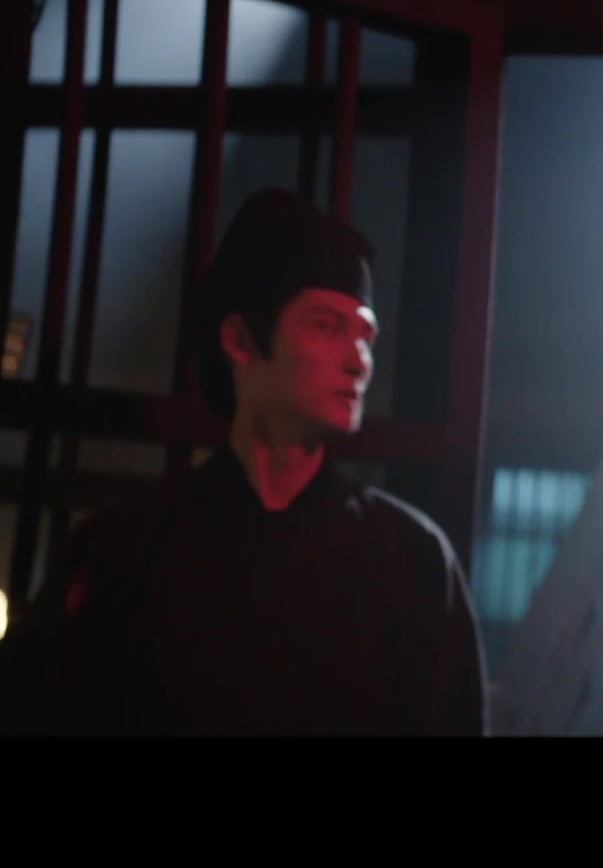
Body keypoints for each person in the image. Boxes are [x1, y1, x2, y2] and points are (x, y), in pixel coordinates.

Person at [0, 188, 487, 735]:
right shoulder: (123, 551)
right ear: (238, 339)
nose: (359, 361)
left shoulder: (413, 562)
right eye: (327, 326)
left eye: (365, 335)